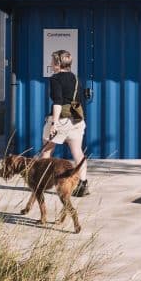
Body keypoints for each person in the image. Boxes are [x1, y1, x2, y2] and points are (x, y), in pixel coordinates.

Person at [40, 49, 89, 197]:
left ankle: (42, 183)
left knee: (46, 151)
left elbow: (58, 102)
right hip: (76, 121)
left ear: (57, 63)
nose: (50, 63)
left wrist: (54, 123)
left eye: (52, 61)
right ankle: (83, 184)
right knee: (77, 152)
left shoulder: (55, 79)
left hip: (61, 120)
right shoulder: (75, 78)